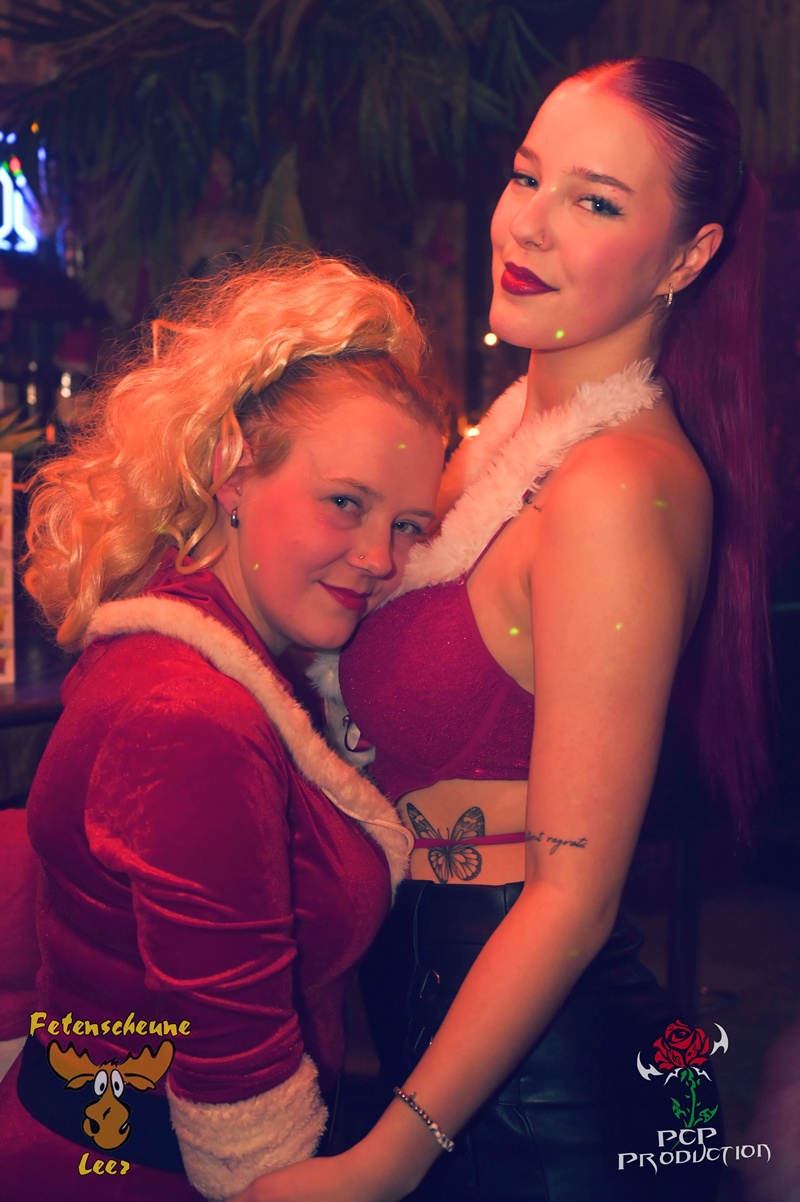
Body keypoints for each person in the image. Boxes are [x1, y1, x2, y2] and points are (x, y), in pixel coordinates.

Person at [234, 57, 771, 1202]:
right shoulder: (494, 443)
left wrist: (381, 1160)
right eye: (526, 177)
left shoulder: (616, 484)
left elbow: (574, 895)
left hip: (543, 1100)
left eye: (594, 202)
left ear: (686, 257)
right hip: (441, 1043)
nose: (527, 224)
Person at [0, 253, 446, 1201]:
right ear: (231, 472)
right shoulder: (189, 714)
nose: (379, 557)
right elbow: (242, 1112)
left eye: (409, 525)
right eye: (346, 503)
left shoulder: (210, 649)